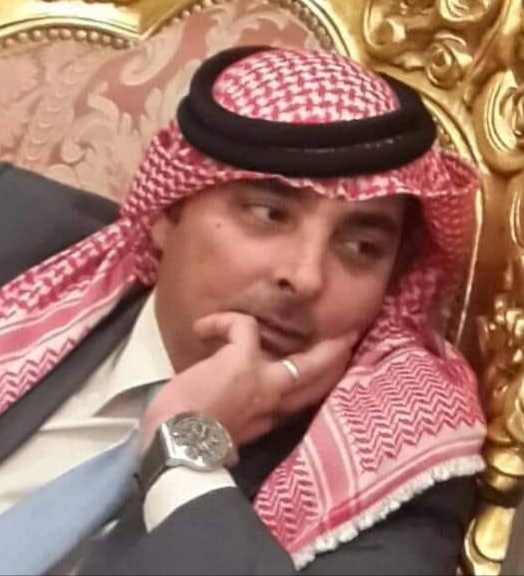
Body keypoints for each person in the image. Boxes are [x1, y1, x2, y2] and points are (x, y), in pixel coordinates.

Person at [0, 45, 487, 575]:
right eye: (269, 214)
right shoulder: (22, 240)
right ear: (169, 212)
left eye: (361, 247)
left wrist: (188, 452)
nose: (305, 276)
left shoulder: (395, 469)